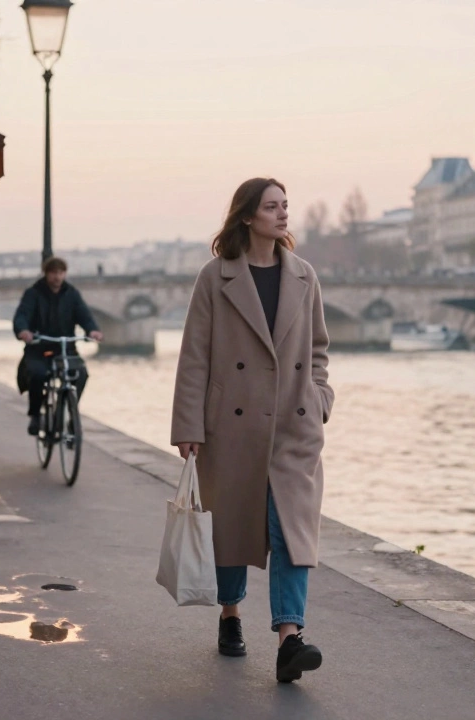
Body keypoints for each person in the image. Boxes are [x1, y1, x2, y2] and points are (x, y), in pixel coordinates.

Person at [171, 178, 335, 683]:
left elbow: (319, 351)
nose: (283, 214)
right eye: (271, 207)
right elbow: (195, 356)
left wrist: (320, 399)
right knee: (233, 528)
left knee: (291, 532)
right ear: (247, 216)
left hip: (293, 425)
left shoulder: (304, 276)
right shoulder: (214, 278)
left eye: (286, 206)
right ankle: (230, 614)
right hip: (232, 426)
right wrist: (188, 426)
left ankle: (291, 639)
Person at [13, 256, 103, 435]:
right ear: (46, 274)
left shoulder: (72, 294)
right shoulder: (33, 293)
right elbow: (22, 314)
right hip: (39, 348)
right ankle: (36, 415)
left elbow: (84, 315)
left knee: (81, 374)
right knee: (37, 374)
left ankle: (70, 411)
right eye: (54, 273)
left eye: (61, 273)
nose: (57, 277)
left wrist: (92, 330)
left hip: (65, 348)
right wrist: (23, 331)